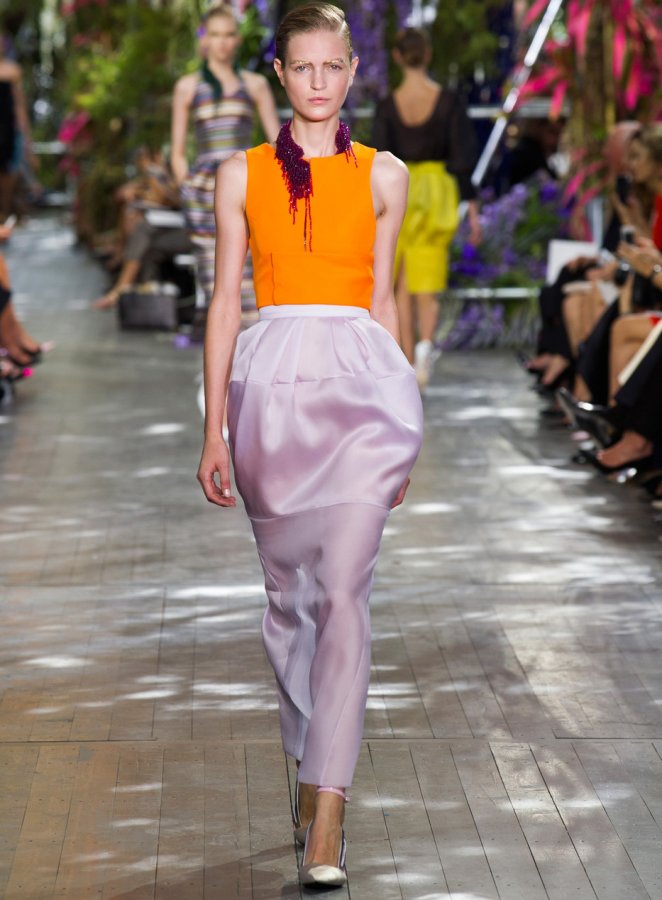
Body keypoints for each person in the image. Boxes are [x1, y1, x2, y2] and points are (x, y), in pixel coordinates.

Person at [196, 3, 423, 888]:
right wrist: (213, 427)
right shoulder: (241, 172)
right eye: (304, 67)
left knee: (346, 593)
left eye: (334, 66)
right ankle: (309, 756)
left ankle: (329, 805)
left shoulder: (386, 175)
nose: (320, 82)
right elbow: (225, 303)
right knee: (290, 602)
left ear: (353, 70)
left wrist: (408, 419)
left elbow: (385, 300)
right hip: (273, 398)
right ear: (281, 74)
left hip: (364, 398)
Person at [372, 27, 480, 388]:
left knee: (401, 278)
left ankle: (404, 358)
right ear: (428, 54)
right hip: (437, 191)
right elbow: (463, 158)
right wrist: (473, 211)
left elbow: (379, 159)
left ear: (397, 57)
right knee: (428, 277)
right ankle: (424, 349)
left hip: (399, 187)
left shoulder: (388, 105)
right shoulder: (448, 102)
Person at [171, 3, 280, 308]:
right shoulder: (188, 87)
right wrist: (187, 189)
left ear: (238, 39)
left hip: (246, 188)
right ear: (204, 38)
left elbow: (278, 144)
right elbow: (177, 152)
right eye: (215, 34)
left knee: (251, 282)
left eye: (229, 35)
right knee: (215, 282)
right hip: (203, 195)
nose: (221, 42)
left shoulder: (255, 85)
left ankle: (246, 342)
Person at [0, 31, 37, 219]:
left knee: (8, 171)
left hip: (7, 127)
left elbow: (19, 105)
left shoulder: (12, 70)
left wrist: (26, 138)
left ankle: (4, 213)